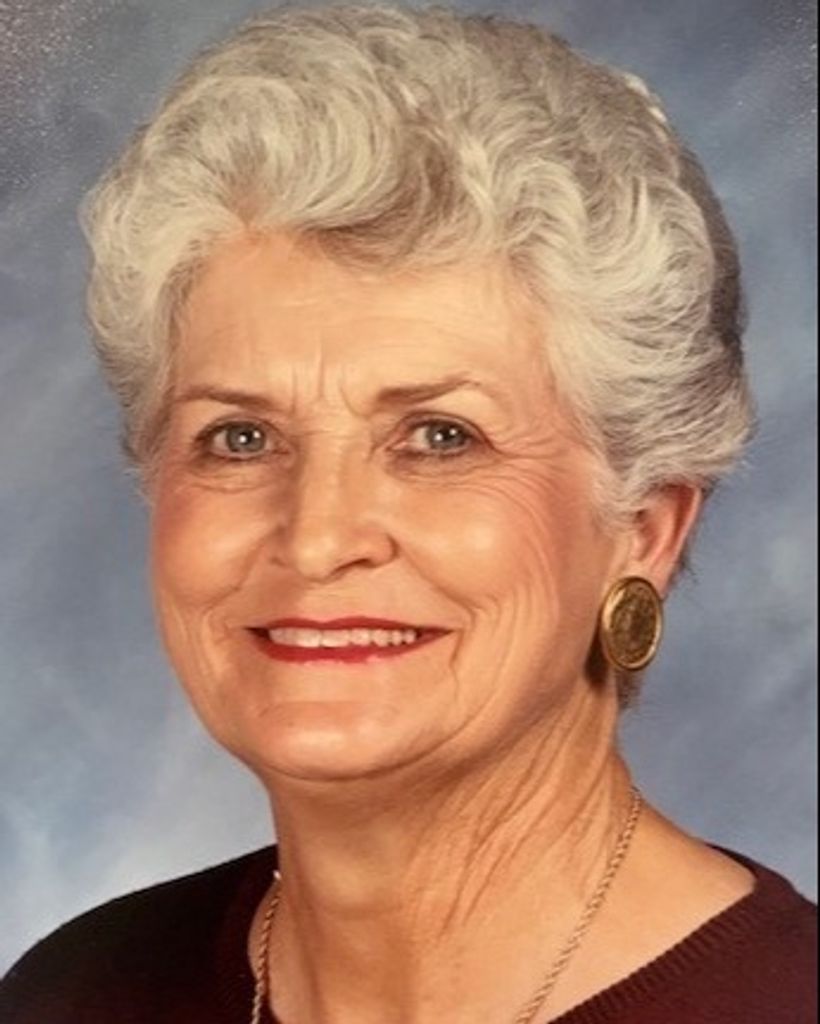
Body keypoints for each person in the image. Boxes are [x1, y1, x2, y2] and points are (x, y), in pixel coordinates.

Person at [0, 3, 815, 1023]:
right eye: (241, 437)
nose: (317, 537)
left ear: (642, 528)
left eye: (438, 436)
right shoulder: (73, 993)